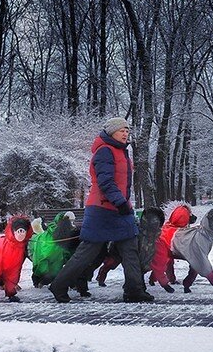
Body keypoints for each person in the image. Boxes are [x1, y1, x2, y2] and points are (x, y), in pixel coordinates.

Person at [49, 117, 153, 303]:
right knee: (87, 252)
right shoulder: (104, 151)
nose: (125, 133)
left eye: (127, 130)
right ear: (112, 131)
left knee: (130, 249)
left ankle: (134, 290)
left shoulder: (122, 151)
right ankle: (59, 286)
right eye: (122, 130)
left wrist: (124, 204)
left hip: (121, 208)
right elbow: (105, 182)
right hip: (102, 210)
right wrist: (120, 202)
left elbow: (123, 184)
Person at [168, 208, 213, 294]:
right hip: (173, 246)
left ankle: (187, 284)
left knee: (195, 265)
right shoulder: (201, 239)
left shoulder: (205, 236)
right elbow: (204, 265)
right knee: (199, 262)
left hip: (180, 243)